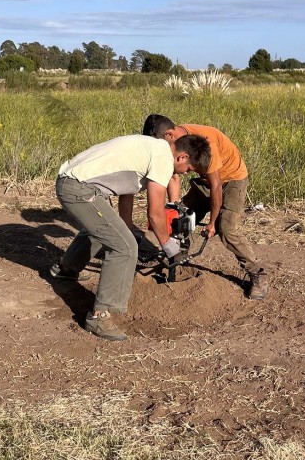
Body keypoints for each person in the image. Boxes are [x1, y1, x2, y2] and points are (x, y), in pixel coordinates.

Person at [51, 133, 211, 341]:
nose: (186, 173)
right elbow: (154, 214)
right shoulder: (163, 160)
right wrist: (168, 245)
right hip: (79, 189)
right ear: (182, 157)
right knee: (124, 247)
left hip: (74, 182)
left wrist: (126, 225)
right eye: (189, 169)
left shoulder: (154, 148)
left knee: (110, 230)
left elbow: (127, 189)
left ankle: (66, 269)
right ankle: (99, 315)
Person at [142, 114, 268, 300]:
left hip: (231, 179)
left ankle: (257, 272)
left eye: (159, 144)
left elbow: (215, 186)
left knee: (226, 229)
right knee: (180, 217)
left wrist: (213, 221)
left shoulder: (203, 142)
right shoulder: (175, 144)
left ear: (169, 135)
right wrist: (175, 208)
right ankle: (177, 259)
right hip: (205, 181)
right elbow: (173, 175)